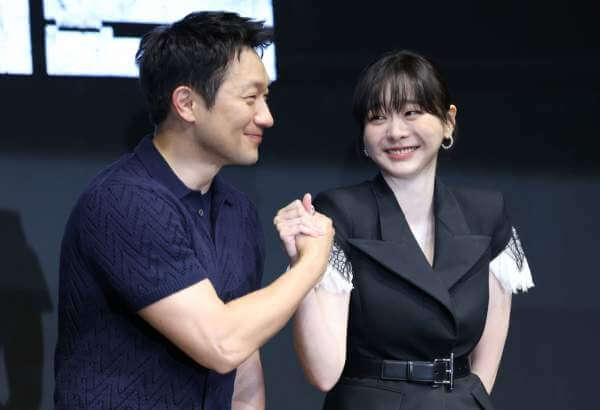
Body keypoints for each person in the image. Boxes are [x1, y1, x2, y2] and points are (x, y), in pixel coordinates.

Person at [54, 11, 333, 410]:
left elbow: (242, 362)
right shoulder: (122, 201)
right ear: (186, 103)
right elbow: (221, 343)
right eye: (250, 98)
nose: (266, 117)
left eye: (266, 98)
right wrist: (311, 263)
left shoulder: (237, 212)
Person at [277, 50, 534, 409]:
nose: (396, 132)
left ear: (448, 121)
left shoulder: (486, 215)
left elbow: (484, 369)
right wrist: (301, 265)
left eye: (412, 112)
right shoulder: (340, 213)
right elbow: (324, 372)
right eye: (377, 117)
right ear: (363, 136)